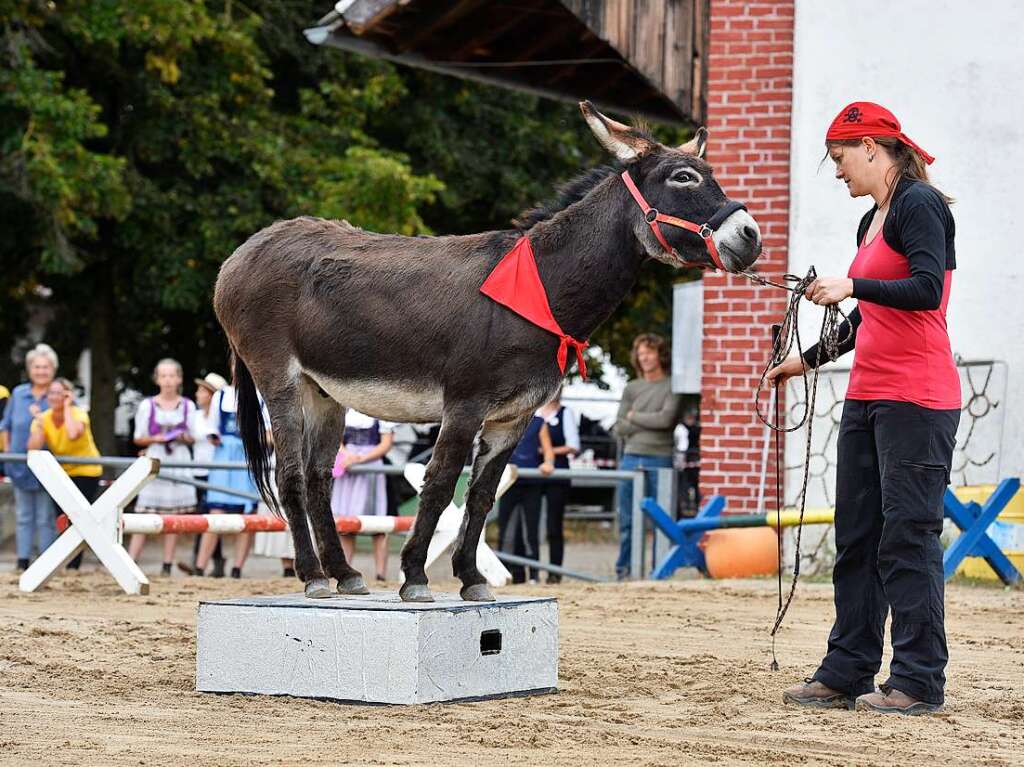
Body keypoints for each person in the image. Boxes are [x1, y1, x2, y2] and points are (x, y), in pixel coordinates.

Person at [771, 102, 959, 716]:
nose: (837, 172)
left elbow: (927, 290)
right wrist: (808, 358)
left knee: (906, 538)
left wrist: (852, 284)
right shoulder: (869, 221)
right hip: (868, 395)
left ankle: (918, 680)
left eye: (840, 158)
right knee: (857, 536)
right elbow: (866, 316)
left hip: (917, 398)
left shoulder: (919, 206)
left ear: (874, 148)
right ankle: (847, 669)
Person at [612, 333, 682, 580]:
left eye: (649, 353)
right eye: (641, 354)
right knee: (628, 519)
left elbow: (666, 420)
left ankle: (659, 571)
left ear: (659, 354)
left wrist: (634, 416)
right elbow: (618, 426)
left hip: (659, 457)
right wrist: (637, 420)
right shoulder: (632, 387)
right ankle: (624, 570)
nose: (645, 358)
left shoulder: (672, 385)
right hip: (631, 457)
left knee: (661, 519)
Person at [128, 359, 201, 575]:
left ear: (179, 379)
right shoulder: (147, 405)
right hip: (156, 457)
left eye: (172, 375)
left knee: (174, 515)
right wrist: (157, 439)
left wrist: (182, 436)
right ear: (157, 379)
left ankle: (167, 564)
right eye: (164, 376)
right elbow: (138, 438)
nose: (168, 380)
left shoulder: (187, 405)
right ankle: (131, 560)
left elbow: (193, 436)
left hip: (178, 459)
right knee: (144, 511)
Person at [194, 379, 266, 578]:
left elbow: (268, 433)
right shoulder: (222, 395)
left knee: (247, 512)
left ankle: (237, 568)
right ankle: (200, 566)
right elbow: (212, 427)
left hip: (247, 455)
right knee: (216, 510)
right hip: (224, 454)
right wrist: (213, 437)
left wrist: (253, 438)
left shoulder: (260, 395)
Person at [27, 378, 102, 570]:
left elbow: (72, 433)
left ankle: (74, 566)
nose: (55, 397)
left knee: (80, 519)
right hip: (63, 473)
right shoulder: (43, 417)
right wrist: (39, 422)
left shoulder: (79, 414)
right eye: (51, 393)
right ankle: (67, 561)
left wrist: (68, 406)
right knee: (62, 518)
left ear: (68, 395)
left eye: (60, 393)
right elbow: (33, 448)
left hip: (87, 472)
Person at [0, 344, 59, 571]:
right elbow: (6, 425)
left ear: (53, 369)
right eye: (37, 367)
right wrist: (8, 455)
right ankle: (22, 560)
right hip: (19, 464)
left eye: (45, 367)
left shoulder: (57, 394)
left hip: (47, 465)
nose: (41, 371)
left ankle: (46, 561)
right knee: (23, 515)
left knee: (45, 516)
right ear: (29, 369)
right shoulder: (18, 393)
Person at [330, 410, 396, 581]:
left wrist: (361, 458)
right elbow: (336, 439)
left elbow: (386, 443)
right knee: (345, 525)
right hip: (348, 468)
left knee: (379, 523)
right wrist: (346, 455)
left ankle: (380, 573)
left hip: (371, 468)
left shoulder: (380, 412)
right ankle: (345, 570)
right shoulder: (345, 411)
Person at [178, 372, 227, 577]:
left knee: (213, 515)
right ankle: (215, 560)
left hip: (215, 469)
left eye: (202, 390)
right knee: (205, 516)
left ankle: (200, 560)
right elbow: (189, 436)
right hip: (198, 469)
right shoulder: (196, 417)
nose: (198, 394)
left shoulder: (219, 419)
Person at [497, 415, 556, 584]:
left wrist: (548, 462)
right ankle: (504, 572)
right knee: (506, 529)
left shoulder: (538, 422)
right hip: (508, 482)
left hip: (531, 483)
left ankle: (534, 574)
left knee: (530, 529)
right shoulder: (505, 419)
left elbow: (548, 450)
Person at [535, 390, 580, 583]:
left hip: (557, 473)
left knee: (554, 526)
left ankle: (554, 572)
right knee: (530, 526)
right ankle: (532, 572)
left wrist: (547, 451)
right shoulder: (533, 412)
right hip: (534, 473)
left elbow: (573, 445)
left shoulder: (565, 413)